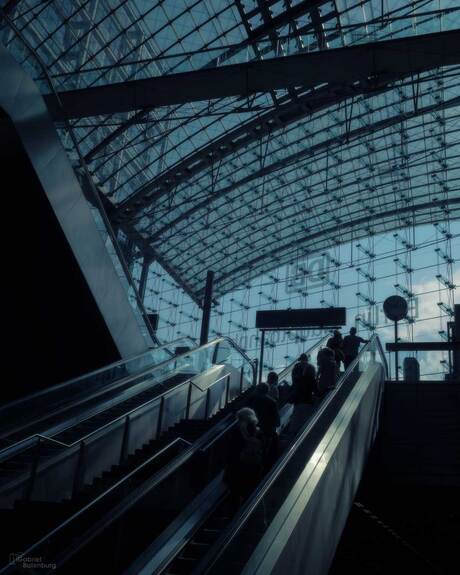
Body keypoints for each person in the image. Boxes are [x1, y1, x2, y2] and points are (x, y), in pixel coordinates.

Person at [223, 407, 264, 512]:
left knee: (235, 494)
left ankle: (233, 520)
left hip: (236, 468)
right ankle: (248, 517)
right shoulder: (258, 431)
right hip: (253, 467)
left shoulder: (236, 431)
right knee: (250, 494)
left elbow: (230, 451)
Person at [249, 383, 280, 467]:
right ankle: (264, 467)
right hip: (268, 431)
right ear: (267, 391)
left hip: (255, 430)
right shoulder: (272, 402)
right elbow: (277, 420)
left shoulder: (252, 400)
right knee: (264, 451)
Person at [289, 353, 317, 434]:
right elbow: (314, 384)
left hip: (298, 399)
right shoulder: (311, 368)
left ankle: (293, 434)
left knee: (296, 420)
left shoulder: (296, 367)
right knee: (306, 420)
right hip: (308, 399)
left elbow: (294, 381)